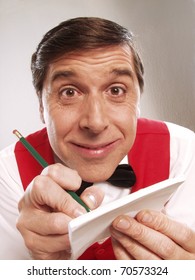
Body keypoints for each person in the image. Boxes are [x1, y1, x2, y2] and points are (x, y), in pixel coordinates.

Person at [0, 17, 195, 260]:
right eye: (69, 92)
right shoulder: (7, 172)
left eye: (116, 90)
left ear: (137, 101)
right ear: (41, 105)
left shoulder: (183, 150)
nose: (95, 122)